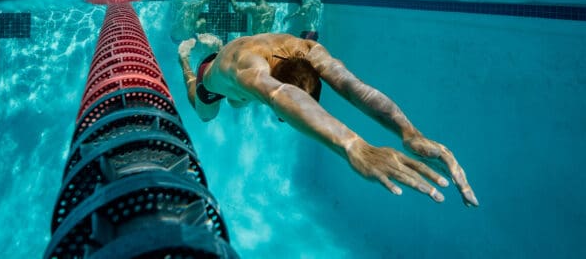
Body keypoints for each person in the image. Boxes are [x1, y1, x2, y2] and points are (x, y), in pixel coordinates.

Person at [178, 32, 478, 207]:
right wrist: (353, 146)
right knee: (207, 112)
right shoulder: (249, 70)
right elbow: (278, 95)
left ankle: (215, 45)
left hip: (242, 90)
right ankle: (186, 60)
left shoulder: (307, 50)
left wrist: (408, 131)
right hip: (213, 78)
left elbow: (352, 86)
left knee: (240, 102)